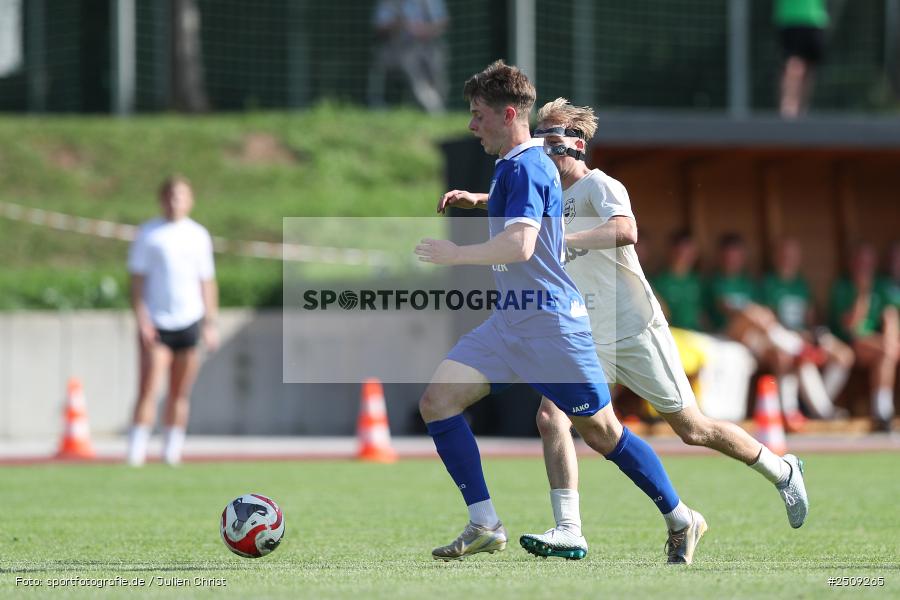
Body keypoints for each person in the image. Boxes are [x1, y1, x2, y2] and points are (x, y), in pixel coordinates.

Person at [421, 62, 705, 564]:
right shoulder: (512, 164)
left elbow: (522, 245)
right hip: (512, 321)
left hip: (552, 325)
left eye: (478, 114)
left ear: (508, 115)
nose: (471, 125)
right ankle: (485, 522)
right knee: (437, 401)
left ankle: (680, 516)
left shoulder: (529, 166)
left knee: (603, 433)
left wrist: (456, 253)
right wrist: (478, 200)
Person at [499, 99, 809, 560]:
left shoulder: (600, 185)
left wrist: (564, 238)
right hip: (586, 336)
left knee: (693, 429)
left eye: (551, 136)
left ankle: (781, 470)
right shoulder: (549, 196)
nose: (542, 145)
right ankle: (569, 528)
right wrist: (476, 199)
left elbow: (626, 230)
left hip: (636, 329)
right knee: (550, 418)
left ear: (574, 143)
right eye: (539, 136)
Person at [126, 176, 219, 466]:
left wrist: (210, 323)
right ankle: (136, 452)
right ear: (161, 199)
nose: (174, 201)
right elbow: (137, 281)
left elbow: (207, 281)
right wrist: (142, 318)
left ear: (190, 200)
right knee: (149, 387)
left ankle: (172, 451)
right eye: (170, 196)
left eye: (180, 196)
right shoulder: (149, 234)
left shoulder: (198, 235)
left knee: (180, 391)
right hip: (158, 322)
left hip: (189, 320)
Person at [707, 233, 829, 431]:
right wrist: (752, 313)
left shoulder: (748, 282)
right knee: (750, 313)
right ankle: (797, 346)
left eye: (736, 255)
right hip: (725, 335)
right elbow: (727, 308)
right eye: (729, 256)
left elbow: (767, 314)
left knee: (782, 356)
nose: (733, 260)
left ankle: (788, 413)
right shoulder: (715, 281)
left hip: (752, 338)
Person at [761, 238, 854, 418]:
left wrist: (812, 335)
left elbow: (810, 318)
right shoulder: (769, 283)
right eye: (784, 255)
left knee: (844, 355)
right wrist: (799, 336)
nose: (788, 260)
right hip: (783, 338)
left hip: (805, 336)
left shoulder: (801, 284)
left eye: (792, 256)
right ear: (776, 257)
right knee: (801, 358)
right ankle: (821, 411)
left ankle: (814, 407)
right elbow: (770, 320)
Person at [829, 243, 898, 431]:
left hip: (875, 344)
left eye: (868, 263)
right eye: (861, 262)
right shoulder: (843, 287)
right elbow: (851, 327)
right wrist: (862, 294)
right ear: (853, 263)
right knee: (884, 350)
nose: (865, 268)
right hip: (847, 343)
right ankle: (882, 411)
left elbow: (890, 316)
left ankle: (882, 412)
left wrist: (891, 340)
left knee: (887, 352)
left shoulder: (881, 286)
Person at [367, 0, 449, 114]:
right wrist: (398, 24)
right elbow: (379, 26)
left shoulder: (429, 2)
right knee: (412, 67)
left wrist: (423, 30)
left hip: (429, 46)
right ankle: (431, 106)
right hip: (400, 49)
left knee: (436, 67)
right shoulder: (389, 3)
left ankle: (435, 104)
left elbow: (442, 21)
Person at [774, 0, 829, 118]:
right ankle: (788, 110)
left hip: (816, 19)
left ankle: (802, 112)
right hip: (791, 18)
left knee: (810, 67)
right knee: (795, 63)